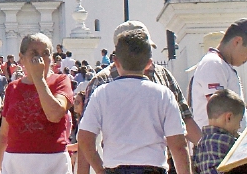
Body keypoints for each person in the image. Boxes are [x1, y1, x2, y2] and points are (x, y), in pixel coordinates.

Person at [78, 20, 201, 174]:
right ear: (149, 63)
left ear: (116, 61)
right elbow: (178, 144)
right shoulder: (163, 94)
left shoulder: (101, 93)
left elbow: (84, 139)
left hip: (115, 168)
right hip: (153, 168)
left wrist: (100, 170)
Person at [0, 33, 73, 174]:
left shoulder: (61, 81)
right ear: (22, 58)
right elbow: (4, 133)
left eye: (45, 53)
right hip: (16, 164)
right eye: (34, 54)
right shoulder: (13, 88)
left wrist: (38, 79)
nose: (40, 59)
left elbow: (55, 114)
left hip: (53, 163)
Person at [190, 19, 247, 129]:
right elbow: (220, 112)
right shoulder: (214, 64)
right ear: (237, 41)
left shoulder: (221, 65)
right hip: (218, 144)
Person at [192, 89, 245, 174]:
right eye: (239, 121)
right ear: (229, 117)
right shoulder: (226, 140)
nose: (239, 126)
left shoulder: (200, 144)